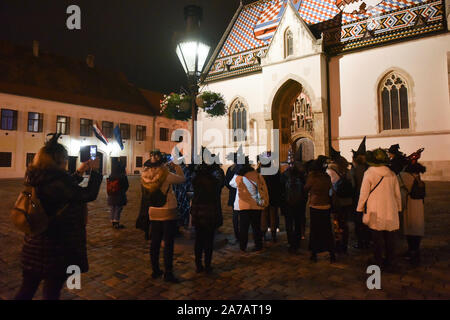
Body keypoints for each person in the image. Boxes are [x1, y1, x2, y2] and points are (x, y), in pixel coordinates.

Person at [15, 133, 102, 300]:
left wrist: (78, 172)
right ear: (59, 160)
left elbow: (63, 190)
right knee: (51, 292)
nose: (66, 161)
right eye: (65, 158)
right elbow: (87, 195)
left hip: (33, 246)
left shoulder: (35, 176)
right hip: (54, 251)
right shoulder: (58, 181)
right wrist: (96, 172)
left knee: (26, 289)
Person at [142, 150, 185, 283]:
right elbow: (182, 179)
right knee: (168, 243)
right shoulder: (165, 174)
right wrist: (177, 166)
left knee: (154, 242)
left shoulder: (144, 175)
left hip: (153, 211)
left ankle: (155, 270)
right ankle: (168, 272)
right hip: (167, 210)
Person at [357, 148, 401, 271]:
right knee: (390, 237)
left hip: (375, 209)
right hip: (390, 208)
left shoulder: (369, 173)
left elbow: (364, 193)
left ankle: (378, 260)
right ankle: (390, 260)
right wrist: (398, 207)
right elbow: (397, 193)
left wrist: (359, 208)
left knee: (377, 237)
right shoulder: (391, 174)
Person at [229, 157, 268, 252]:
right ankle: (258, 245)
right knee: (256, 227)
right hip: (256, 205)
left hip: (243, 206)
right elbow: (263, 186)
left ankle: (243, 246)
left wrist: (237, 173)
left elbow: (231, 184)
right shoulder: (257, 174)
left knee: (243, 227)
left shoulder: (239, 176)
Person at [190, 164, 221, 273]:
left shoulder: (195, 179)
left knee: (198, 239)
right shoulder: (213, 181)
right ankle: (207, 264)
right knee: (209, 240)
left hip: (198, 210)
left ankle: (198, 264)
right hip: (209, 211)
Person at [304, 157, 336, 263]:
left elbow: (306, 188)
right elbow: (330, 188)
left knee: (315, 231)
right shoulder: (326, 177)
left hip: (315, 205)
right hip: (326, 205)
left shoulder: (312, 177)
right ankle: (332, 254)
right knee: (327, 230)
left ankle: (314, 254)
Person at [398, 160, 426, 266]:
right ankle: (416, 249)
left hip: (409, 204)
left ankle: (411, 250)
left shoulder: (403, 176)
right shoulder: (417, 175)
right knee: (417, 227)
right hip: (419, 204)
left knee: (410, 227)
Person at [327, 155, 353, 254]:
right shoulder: (347, 172)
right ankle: (344, 244)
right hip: (347, 202)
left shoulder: (331, 171)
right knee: (344, 224)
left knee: (337, 224)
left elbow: (330, 188)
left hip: (337, 202)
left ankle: (339, 244)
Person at [281, 160, 307, 253]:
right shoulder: (301, 175)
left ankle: (290, 242)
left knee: (289, 223)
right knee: (297, 223)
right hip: (299, 204)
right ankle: (297, 242)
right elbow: (305, 190)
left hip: (288, 203)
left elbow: (281, 191)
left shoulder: (284, 175)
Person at [258, 154, 281, 243]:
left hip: (264, 197)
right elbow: (279, 184)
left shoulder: (260, 171)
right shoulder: (275, 171)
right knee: (273, 216)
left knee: (263, 215)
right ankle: (273, 235)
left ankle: (263, 234)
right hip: (274, 197)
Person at [350, 146, 370, 249]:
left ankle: (361, 242)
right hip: (369, 199)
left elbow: (353, 185)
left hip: (358, 197)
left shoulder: (354, 170)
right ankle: (368, 240)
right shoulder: (369, 169)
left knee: (358, 221)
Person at [107, 161, 129, 229]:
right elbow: (126, 185)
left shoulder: (111, 175)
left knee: (112, 207)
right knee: (118, 208)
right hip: (119, 194)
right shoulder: (122, 176)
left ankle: (112, 221)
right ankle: (116, 222)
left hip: (111, 194)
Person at [225, 152, 241, 244]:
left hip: (233, 194)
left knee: (235, 216)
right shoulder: (243, 169)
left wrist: (232, 189)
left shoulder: (230, 169)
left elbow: (226, 182)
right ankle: (242, 234)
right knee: (242, 216)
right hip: (241, 195)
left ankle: (237, 235)